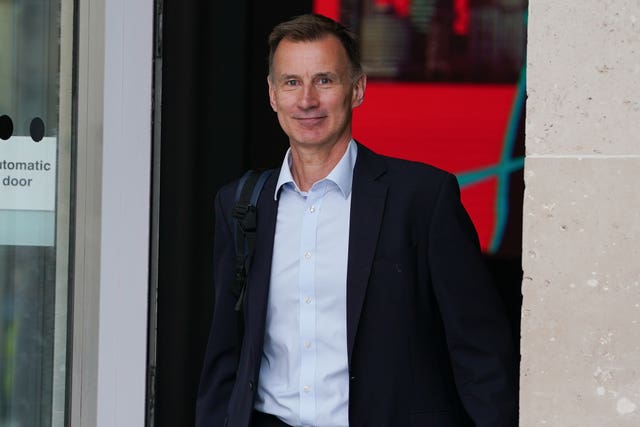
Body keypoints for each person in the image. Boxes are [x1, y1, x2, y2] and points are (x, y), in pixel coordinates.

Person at [196, 13, 517, 427]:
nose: (307, 99)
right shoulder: (240, 204)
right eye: (292, 82)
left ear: (358, 89)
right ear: (273, 95)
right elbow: (225, 354)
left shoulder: (421, 198)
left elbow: (479, 349)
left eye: (324, 80)